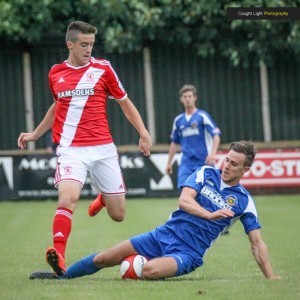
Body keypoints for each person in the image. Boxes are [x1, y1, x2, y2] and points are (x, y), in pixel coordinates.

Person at [32, 141, 280, 280]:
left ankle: (137, 265)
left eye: (234, 164)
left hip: (188, 252)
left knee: (147, 270)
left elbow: (257, 243)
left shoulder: (244, 202)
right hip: (162, 235)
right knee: (104, 258)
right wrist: (209, 214)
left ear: (245, 170)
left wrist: (270, 278)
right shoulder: (206, 173)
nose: (226, 165)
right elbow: (184, 201)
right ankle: (61, 278)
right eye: (227, 159)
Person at [18, 21, 152, 276]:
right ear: (70, 44)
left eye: (91, 44)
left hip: (103, 149)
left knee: (118, 214)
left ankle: (103, 197)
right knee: (68, 198)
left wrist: (143, 133)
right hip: (71, 149)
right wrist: (36, 133)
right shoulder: (55, 73)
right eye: (83, 44)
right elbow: (58, 105)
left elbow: (125, 103)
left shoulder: (104, 69)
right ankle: (59, 256)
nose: (89, 49)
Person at [166, 84, 221, 189]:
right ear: (181, 99)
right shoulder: (178, 120)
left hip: (204, 162)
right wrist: (169, 162)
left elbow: (216, 135)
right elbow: (174, 142)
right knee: (185, 192)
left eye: (190, 96)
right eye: (185, 97)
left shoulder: (202, 116)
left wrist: (213, 153)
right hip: (186, 163)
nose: (187, 99)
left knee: (208, 194)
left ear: (195, 98)